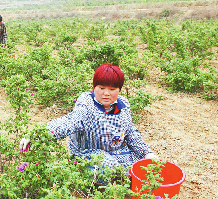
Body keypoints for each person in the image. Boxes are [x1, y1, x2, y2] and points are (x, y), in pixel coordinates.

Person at [19, 63, 157, 171]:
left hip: (116, 152)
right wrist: (37, 133)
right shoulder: (86, 104)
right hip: (88, 154)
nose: (106, 94)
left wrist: (146, 153)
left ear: (119, 90)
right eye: (101, 88)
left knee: (144, 163)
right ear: (94, 87)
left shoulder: (123, 105)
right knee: (108, 167)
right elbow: (69, 121)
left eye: (112, 89)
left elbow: (130, 131)